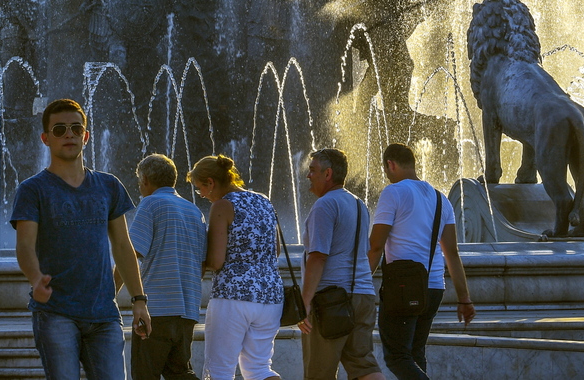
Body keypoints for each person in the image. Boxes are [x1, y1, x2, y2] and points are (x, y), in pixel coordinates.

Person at [10, 98, 152, 379]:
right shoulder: (32, 190)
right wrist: (36, 278)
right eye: (60, 129)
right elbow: (25, 245)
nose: (69, 135)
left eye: (76, 129)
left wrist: (139, 300)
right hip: (55, 313)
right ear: (45, 138)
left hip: (104, 314)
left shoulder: (108, 185)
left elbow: (123, 246)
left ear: (86, 136)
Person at [368, 143, 476, 380]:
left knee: (397, 357)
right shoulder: (441, 199)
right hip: (434, 288)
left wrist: (360, 284)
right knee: (415, 353)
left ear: (391, 164)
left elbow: (376, 246)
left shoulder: (393, 192)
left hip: (403, 288)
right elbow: (452, 253)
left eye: (386, 169)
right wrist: (464, 299)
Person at [188, 154, 283, 380]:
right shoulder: (263, 200)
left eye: (200, 188)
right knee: (259, 368)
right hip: (271, 297)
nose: (201, 195)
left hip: (233, 297)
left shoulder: (222, 206)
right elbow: (276, 249)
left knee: (219, 369)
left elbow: (216, 261)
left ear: (211, 182)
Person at [115, 153, 207, 380]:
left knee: (145, 373)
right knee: (179, 372)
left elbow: (130, 254)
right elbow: (202, 264)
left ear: (145, 179)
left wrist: (109, 293)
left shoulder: (150, 204)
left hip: (156, 310)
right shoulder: (195, 212)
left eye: (139, 181)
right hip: (187, 310)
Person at [299, 149, 385, 380]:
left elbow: (318, 256)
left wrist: (304, 303)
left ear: (328, 174)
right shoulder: (358, 204)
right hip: (363, 295)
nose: (308, 175)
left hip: (330, 300)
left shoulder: (324, 206)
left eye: (312, 170)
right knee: (363, 365)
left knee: (319, 372)